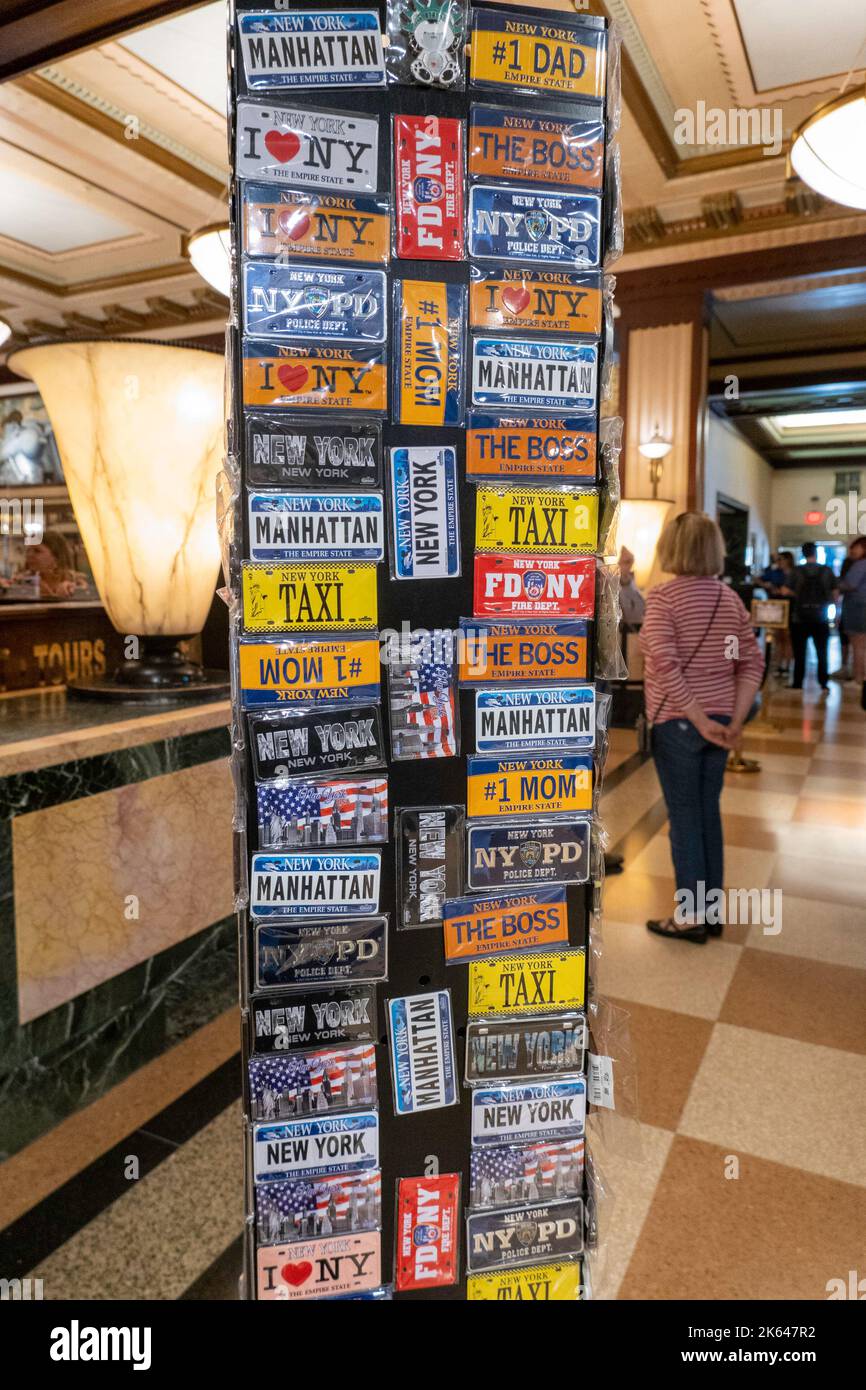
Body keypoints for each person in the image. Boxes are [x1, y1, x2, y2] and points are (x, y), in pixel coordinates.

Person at [639, 512, 764, 944]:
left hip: (680, 725)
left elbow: (665, 667)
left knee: (686, 819)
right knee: (707, 813)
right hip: (721, 723)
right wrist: (732, 721)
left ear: (670, 548)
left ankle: (690, 917)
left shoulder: (664, 599)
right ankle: (710, 913)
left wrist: (699, 719)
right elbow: (751, 662)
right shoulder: (730, 599)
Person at [789, 541, 835, 691]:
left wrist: (797, 595)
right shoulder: (827, 571)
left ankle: (797, 683)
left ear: (802, 553)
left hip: (799, 617)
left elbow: (785, 589)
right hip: (821, 617)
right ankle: (823, 682)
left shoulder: (796, 571)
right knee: (822, 651)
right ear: (816, 553)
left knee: (799, 652)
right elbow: (834, 593)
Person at [838, 535, 866, 690]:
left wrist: (836, 584)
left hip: (858, 608)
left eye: (854, 547)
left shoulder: (860, 564)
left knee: (858, 645)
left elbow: (850, 584)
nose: (852, 550)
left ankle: (858, 679)